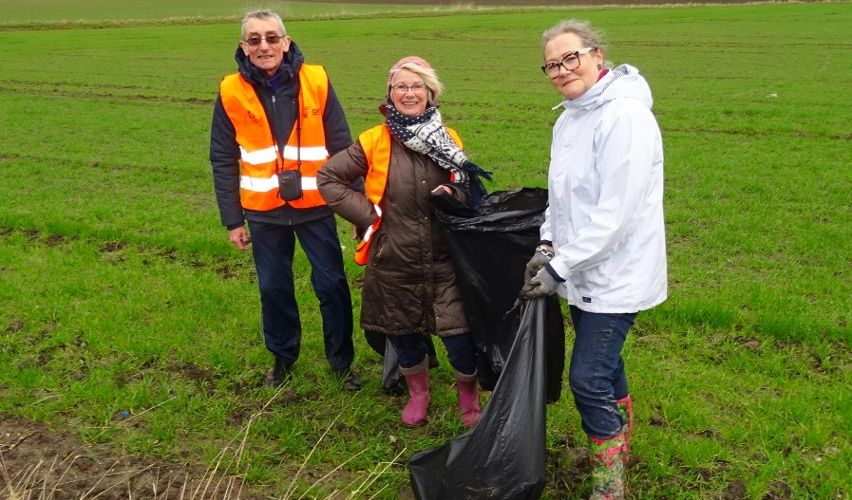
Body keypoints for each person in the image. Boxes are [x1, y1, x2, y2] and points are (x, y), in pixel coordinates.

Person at [521, 19, 668, 499]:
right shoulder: (569, 117)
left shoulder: (624, 117)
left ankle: (609, 482)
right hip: (582, 271)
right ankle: (620, 444)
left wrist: (559, 268)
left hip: (616, 274)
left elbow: (614, 215)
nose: (562, 70)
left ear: (597, 55)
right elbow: (562, 200)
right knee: (605, 364)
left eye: (571, 58)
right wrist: (547, 245)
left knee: (586, 378)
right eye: (552, 64)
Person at [317, 56, 490, 428]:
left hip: (446, 259)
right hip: (394, 258)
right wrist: (368, 215)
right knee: (406, 334)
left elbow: (467, 188)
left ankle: (468, 397)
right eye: (401, 87)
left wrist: (454, 193)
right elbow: (328, 178)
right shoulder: (374, 140)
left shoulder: (449, 138)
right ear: (390, 93)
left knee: (460, 337)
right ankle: (418, 394)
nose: (409, 93)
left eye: (417, 87)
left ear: (431, 93)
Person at [210, 9, 360, 391]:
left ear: (286, 42)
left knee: (331, 285)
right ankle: (282, 358)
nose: (264, 46)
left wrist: (359, 209)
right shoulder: (230, 90)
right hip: (263, 212)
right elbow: (223, 157)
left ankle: (342, 362)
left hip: (315, 206)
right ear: (244, 46)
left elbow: (343, 147)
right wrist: (232, 221)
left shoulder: (317, 80)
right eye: (255, 39)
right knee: (274, 288)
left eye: (272, 37)